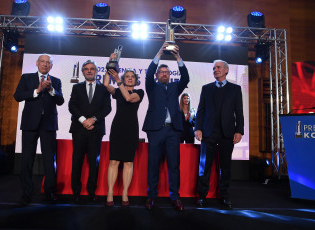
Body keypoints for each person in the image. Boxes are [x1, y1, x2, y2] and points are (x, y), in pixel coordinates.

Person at [142, 42, 190, 211]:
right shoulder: (152, 86)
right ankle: (151, 196)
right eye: (161, 72)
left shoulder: (175, 87)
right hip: (155, 130)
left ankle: (175, 197)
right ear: (157, 75)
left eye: (166, 72)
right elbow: (148, 75)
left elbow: (186, 78)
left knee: (174, 165)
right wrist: (160, 53)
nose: (164, 74)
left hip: (172, 131)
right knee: (153, 164)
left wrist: (178, 58)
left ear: (170, 75)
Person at [14, 54, 64, 204]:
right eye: (42, 62)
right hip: (30, 123)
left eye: (48, 62)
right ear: (37, 63)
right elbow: (17, 96)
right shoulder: (27, 78)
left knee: (49, 159)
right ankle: (26, 193)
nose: (45, 64)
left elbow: (60, 101)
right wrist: (37, 90)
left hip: (48, 124)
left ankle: (50, 192)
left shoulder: (56, 81)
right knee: (27, 159)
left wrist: (51, 90)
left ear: (51, 66)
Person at [194, 60, 244, 209]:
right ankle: (202, 196)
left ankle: (225, 197)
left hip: (227, 133)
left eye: (218, 67)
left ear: (226, 70)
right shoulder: (206, 88)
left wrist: (239, 130)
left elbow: (239, 113)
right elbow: (200, 111)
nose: (216, 70)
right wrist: (198, 128)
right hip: (208, 133)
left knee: (226, 167)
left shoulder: (235, 89)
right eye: (214, 68)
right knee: (204, 166)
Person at [103, 55, 144, 207]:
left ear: (136, 79)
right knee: (114, 161)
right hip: (117, 128)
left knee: (128, 162)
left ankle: (125, 192)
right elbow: (106, 84)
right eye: (127, 76)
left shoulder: (139, 92)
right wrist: (111, 65)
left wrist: (119, 81)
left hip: (131, 129)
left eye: (132, 76)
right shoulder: (118, 91)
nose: (129, 78)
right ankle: (110, 193)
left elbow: (128, 98)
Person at [68, 60, 111, 203]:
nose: (89, 71)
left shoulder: (103, 88)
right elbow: (72, 105)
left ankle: (92, 191)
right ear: (83, 72)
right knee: (77, 161)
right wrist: (83, 120)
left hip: (96, 130)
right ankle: (76, 192)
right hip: (79, 129)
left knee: (94, 162)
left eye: (92, 69)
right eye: (86, 69)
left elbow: (107, 108)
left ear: (96, 71)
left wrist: (93, 120)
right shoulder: (77, 87)